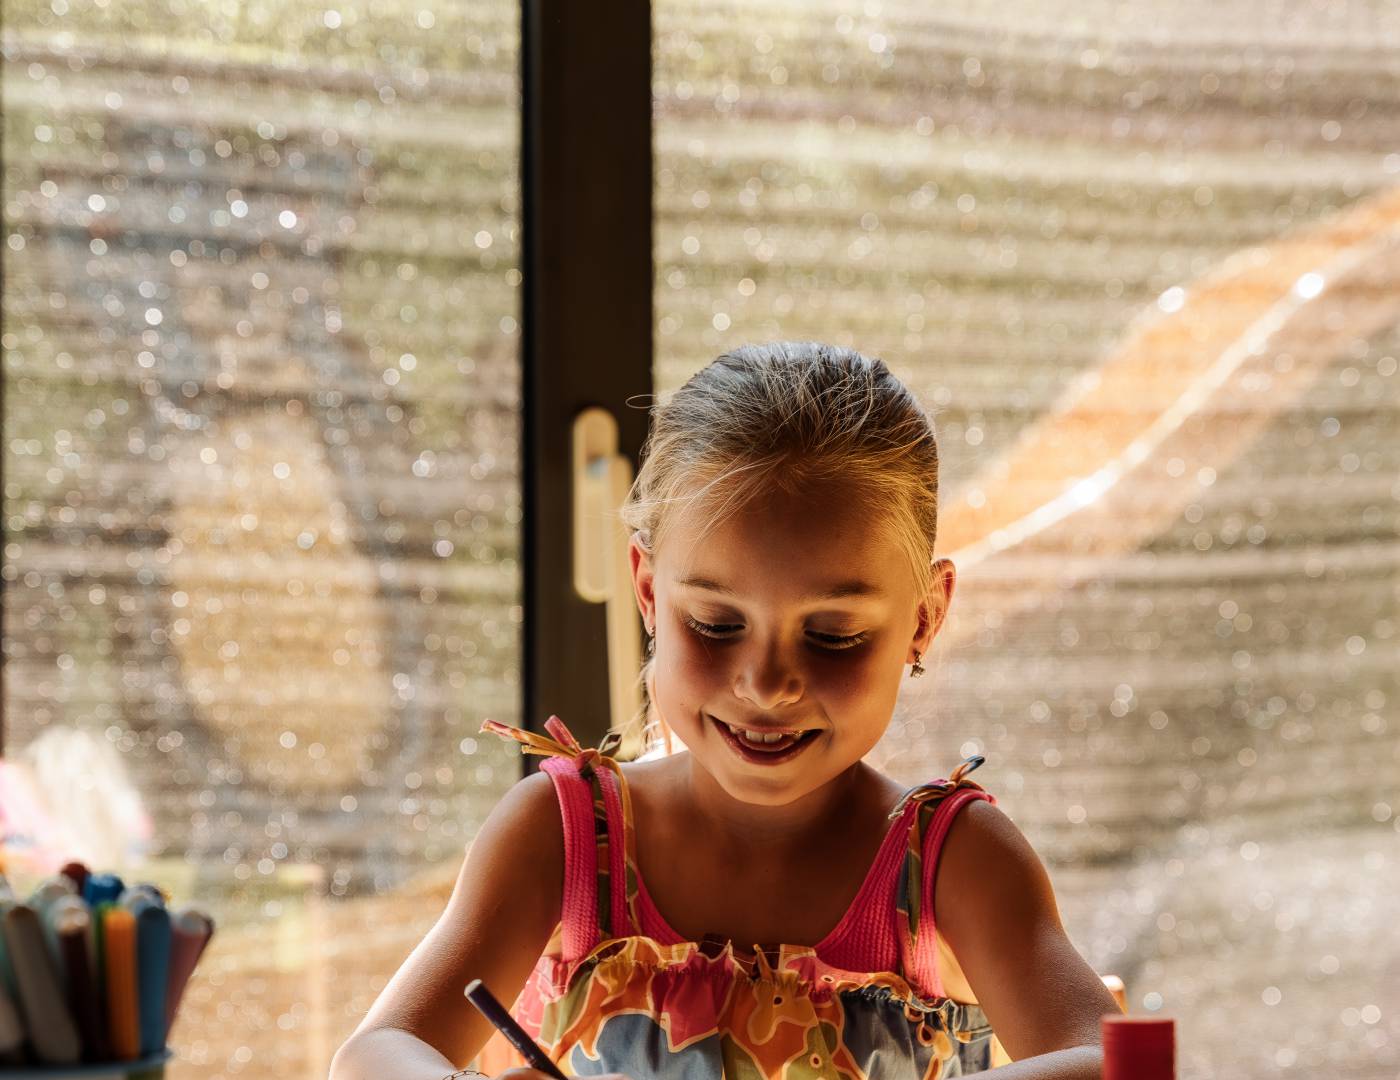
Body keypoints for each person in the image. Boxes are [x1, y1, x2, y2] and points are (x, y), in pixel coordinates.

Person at [330, 342, 1121, 1079]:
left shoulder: (955, 864)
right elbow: (378, 1053)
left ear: (924, 616)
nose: (768, 684)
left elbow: (1108, 1062)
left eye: (833, 636)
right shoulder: (561, 839)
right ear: (646, 589)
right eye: (715, 625)